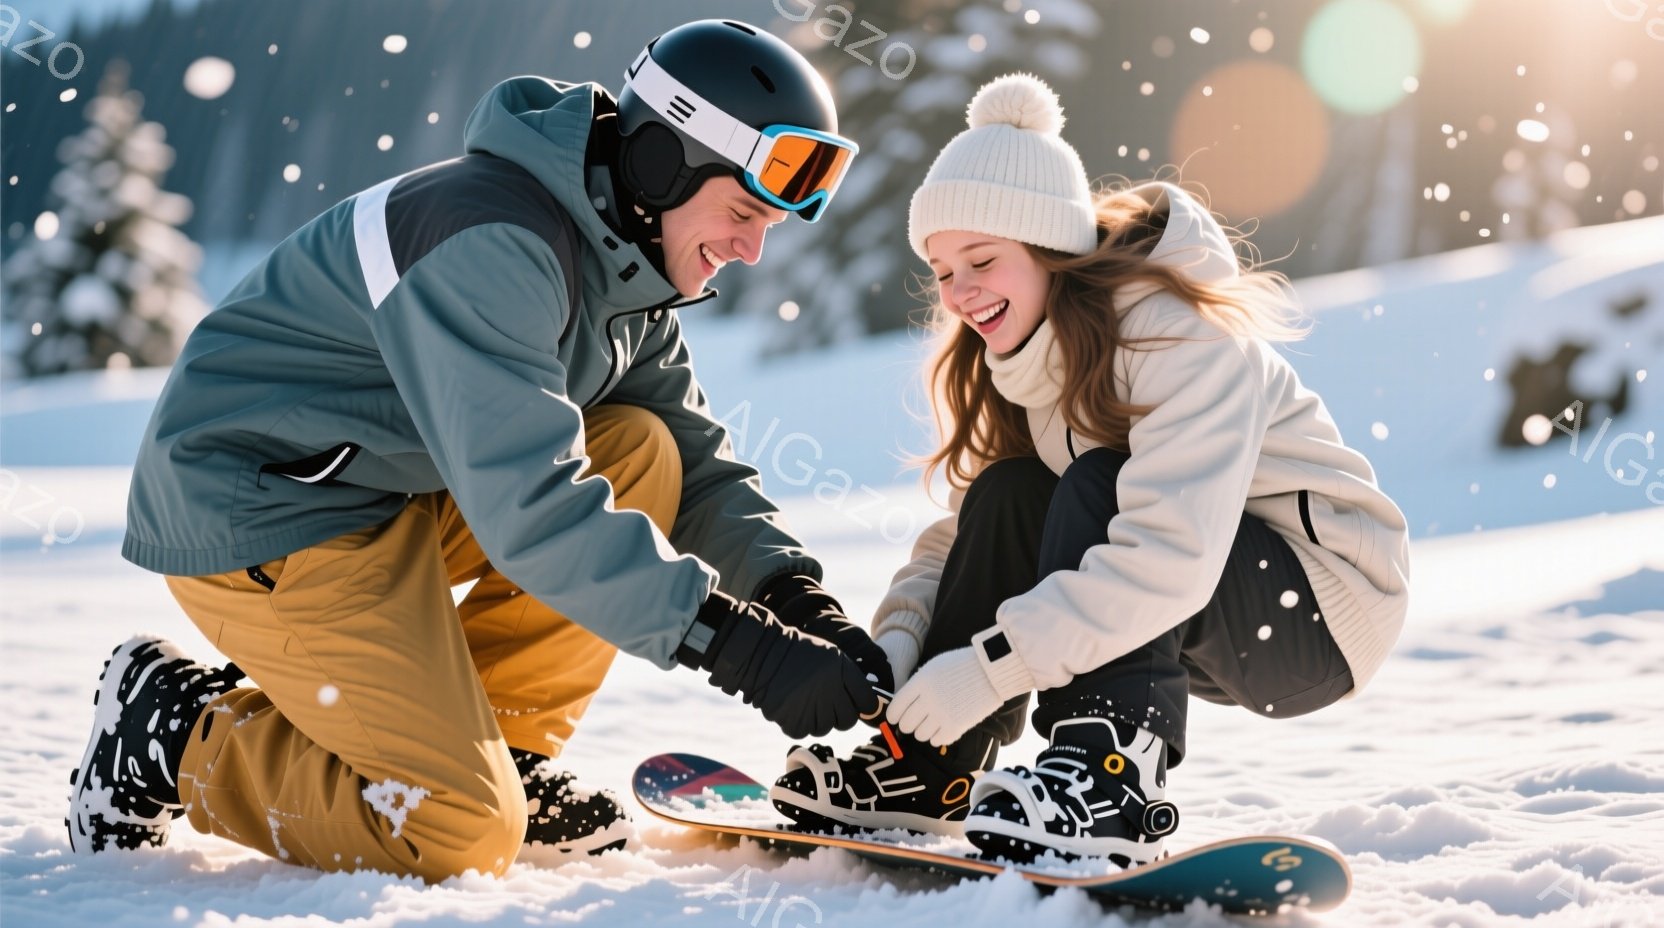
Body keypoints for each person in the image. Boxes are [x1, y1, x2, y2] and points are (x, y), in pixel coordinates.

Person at [67, 19, 893, 880]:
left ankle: (506, 751)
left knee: (643, 450)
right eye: (743, 213)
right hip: (261, 505)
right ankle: (175, 731)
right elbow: (531, 507)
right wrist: (740, 648)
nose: (751, 250)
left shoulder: (627, 261)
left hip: (383, 493)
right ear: (661, 166)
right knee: (456, 830)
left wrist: (795, 600)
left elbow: (698, 470)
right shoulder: (493, 240)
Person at [770, 73, 1411, 868]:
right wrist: (905, 644)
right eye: (941, 270)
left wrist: (989, 670)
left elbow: (1168, 553)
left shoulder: (1177, 336)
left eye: (982, 260)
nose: (960, 293)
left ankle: (1110, 774)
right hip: (1196, 603)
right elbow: (971, 535)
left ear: (1049, 248)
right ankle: (928, 768)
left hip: (1319, 614)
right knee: (1010, 490)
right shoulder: (1018, 360)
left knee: (1100, 485)